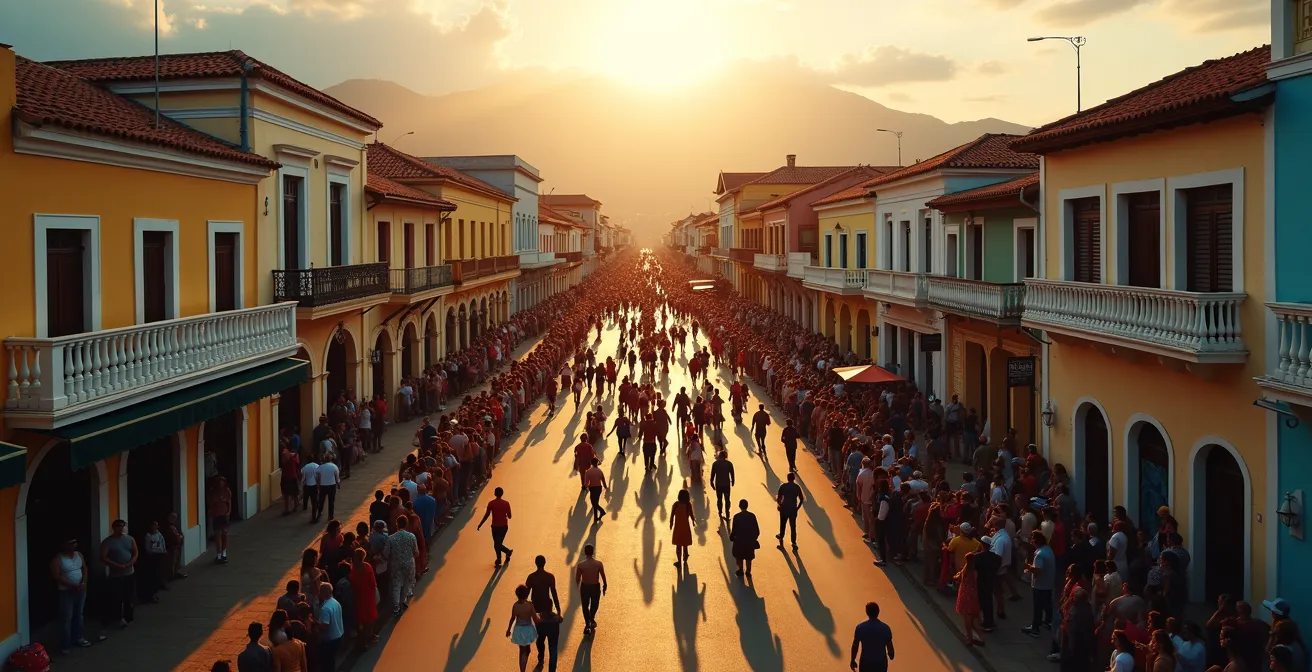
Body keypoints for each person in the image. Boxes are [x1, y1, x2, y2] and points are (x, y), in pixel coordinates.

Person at [51, 538, 91, 653]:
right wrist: (72, 585)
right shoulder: (58, 559)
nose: (74, 545)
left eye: (75, 542)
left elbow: (84, 568)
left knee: (79, 614)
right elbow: (56, 576)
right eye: (71, 543)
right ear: (64, 545)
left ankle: (78, 638)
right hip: (66, 591)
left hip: (81, 589)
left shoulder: (79, 555)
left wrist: (83, 582)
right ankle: (65, 644)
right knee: (66, 617)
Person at [100, 519, 137, 630]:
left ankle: (128, 616)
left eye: (122, 526)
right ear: (114, 528)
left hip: (129, 572)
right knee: (117, 596)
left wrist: (130, 563)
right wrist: (116, 565)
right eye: (119, 526)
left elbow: (135, 553)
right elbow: (103, 557)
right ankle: (118, 617)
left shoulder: (130, 539)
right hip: (116, 574)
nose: (121, 528)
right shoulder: (108, 542)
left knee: (129, 595)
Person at [1022, 531, 1056, 637]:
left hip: (1040, 584)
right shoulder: (1048, 550)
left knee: (1038, 607)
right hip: (1048, 583)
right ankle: (1048, 622)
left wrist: (1028, 567)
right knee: (1047, 604)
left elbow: (1038, 570)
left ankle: (1035, 628)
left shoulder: (1040, 554)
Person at [384, 516, 419, 614]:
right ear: (406, 524)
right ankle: (403, 600)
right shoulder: (411, 536)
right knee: (407, 583)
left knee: (397, 584)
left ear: (397, 524)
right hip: (409, 563)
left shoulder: (391, 538)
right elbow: (416, 552)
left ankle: (396, 607)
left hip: (396, 564)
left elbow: (386, 554)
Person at [850, 601, 895, 672]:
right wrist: (890, 654)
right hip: (880, 664)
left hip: (866, 663)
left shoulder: (860, 627)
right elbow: (891, 652)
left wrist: (852, 660)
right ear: (878, 612)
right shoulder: (885, 628)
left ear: (866, 612)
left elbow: (855, 645)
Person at [477, 487, 515, 568]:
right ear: (502, 493)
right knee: (498, 544)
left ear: (495, 493)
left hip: (495, 527)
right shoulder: (506, 503)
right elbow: (510, 516)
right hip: (504, 527)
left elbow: (487, 515)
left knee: (496, 544)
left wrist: (480, 524)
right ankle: (506, 553)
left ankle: (499, 559)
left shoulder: (491, 503)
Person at [349, 548, 379, 650]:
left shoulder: (353, 569)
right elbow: (373, 582)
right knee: (370, 617)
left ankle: (363, 641)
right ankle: (369, 636)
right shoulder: (367, 566)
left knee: (361, 618)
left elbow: (352, 582)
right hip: (368, 594)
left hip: (358, 595)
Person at [506, 584, 540, 672]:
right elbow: (535, 618)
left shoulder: (515, 606)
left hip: (519, 629)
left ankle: (522, 668)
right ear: (527, 594)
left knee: (522, 650)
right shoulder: (530, 605)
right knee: (526, 650)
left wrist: (509, 629)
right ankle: (522, 669)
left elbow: (512, 618)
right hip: (528, 629)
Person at [575, 544, 608, 636]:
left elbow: (577, 579)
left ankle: (587, 623)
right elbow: (603, 575)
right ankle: (591, 618)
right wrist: (605, 584)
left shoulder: (581, 565)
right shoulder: (598, 564)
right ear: (593, 552)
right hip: (595, 587)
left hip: (585, 587)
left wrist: (577, 588)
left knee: (585, 606)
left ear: (585, 552)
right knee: (595, 604)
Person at [955, 551, 983, 646]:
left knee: (967, 617)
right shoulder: (974, 572)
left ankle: (970, 638)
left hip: (963, 594)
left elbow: (957, 577)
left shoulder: (965, 569)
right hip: (972, 595)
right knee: (975, 617)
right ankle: (979, 638)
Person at [316, 582, 344, 672]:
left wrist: (315, 624)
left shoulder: (325, 608)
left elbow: (325, 626)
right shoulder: (335, 602)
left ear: (323, 592)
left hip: (330, 639)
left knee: (327, 662)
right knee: (332, 660)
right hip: (339, 634)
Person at [729, 499, 760, 577]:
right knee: (748, 557)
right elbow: (757, 530)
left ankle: (740, 569)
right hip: (749, 541)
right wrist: (753, 538)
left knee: (739, 556)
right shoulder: (752, 516)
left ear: (739, 506)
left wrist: (732, 537)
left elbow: (734, 530)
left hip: (739, 541)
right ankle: (748, 571)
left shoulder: (736, 517)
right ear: (747, 506)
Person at [775, 472, 805, 550]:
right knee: (793, 526)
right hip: (793, 509)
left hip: (784, 508)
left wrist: (780, 505)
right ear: (794, 478)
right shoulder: (797, 487)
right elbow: (801, 499)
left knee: (782, 523)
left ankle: (781, 536)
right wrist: (797, 508)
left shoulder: (783, 486)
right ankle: (794, 542)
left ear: (787, 478)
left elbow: (778, 498)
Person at [209, 476, 233, 563]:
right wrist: (211, 511)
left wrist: (228, 513)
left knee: (224, 534)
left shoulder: (227, 491)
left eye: (222, 482)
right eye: (219, 482)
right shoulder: (213, 492)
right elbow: (211, 503)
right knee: (217, 535)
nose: (221, 484)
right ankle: (219, 554)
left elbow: (229, 503)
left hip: (224, 515)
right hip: (216, 515)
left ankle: (224, 553)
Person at [670, 488, 695, 567]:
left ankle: (679, 561)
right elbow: (691, 514)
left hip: (678, 526)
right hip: (686, 526)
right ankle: (686, 553)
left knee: (678, 544)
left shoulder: (676, 505)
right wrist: (693, 521)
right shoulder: (688, 505)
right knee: (684, 542)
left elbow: (672, 515)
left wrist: (671, 523)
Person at [534, 607, 562, 672]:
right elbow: (561, 620)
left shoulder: (540, 617)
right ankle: (552, 670)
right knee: (553, 650)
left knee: (540, 642)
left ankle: (541, 658)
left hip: (542, 626)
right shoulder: (555, 617)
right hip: (553, 629)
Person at [710, 451, 735, 519]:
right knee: (727, 499)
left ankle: (720, 512)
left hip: (718, 485)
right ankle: (727, 512)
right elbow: (732, 473)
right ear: (725, 456)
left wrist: (711, 482)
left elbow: (712, 474)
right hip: (726, 484)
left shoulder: (715, 464)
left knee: (719, 499)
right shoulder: (729, 464)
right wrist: (733, 481)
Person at [584, 458, 608, 523]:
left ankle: (600, 513)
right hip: (599, 488)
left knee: (594, 503)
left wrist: (586, 487)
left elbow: (586, 483)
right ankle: (596, 517)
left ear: (591, 463)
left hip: (592, 488)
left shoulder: (588, 472)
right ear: (597, 463)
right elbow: (603, 480)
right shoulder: (600, 471)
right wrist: (606, 487)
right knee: (596, 503)